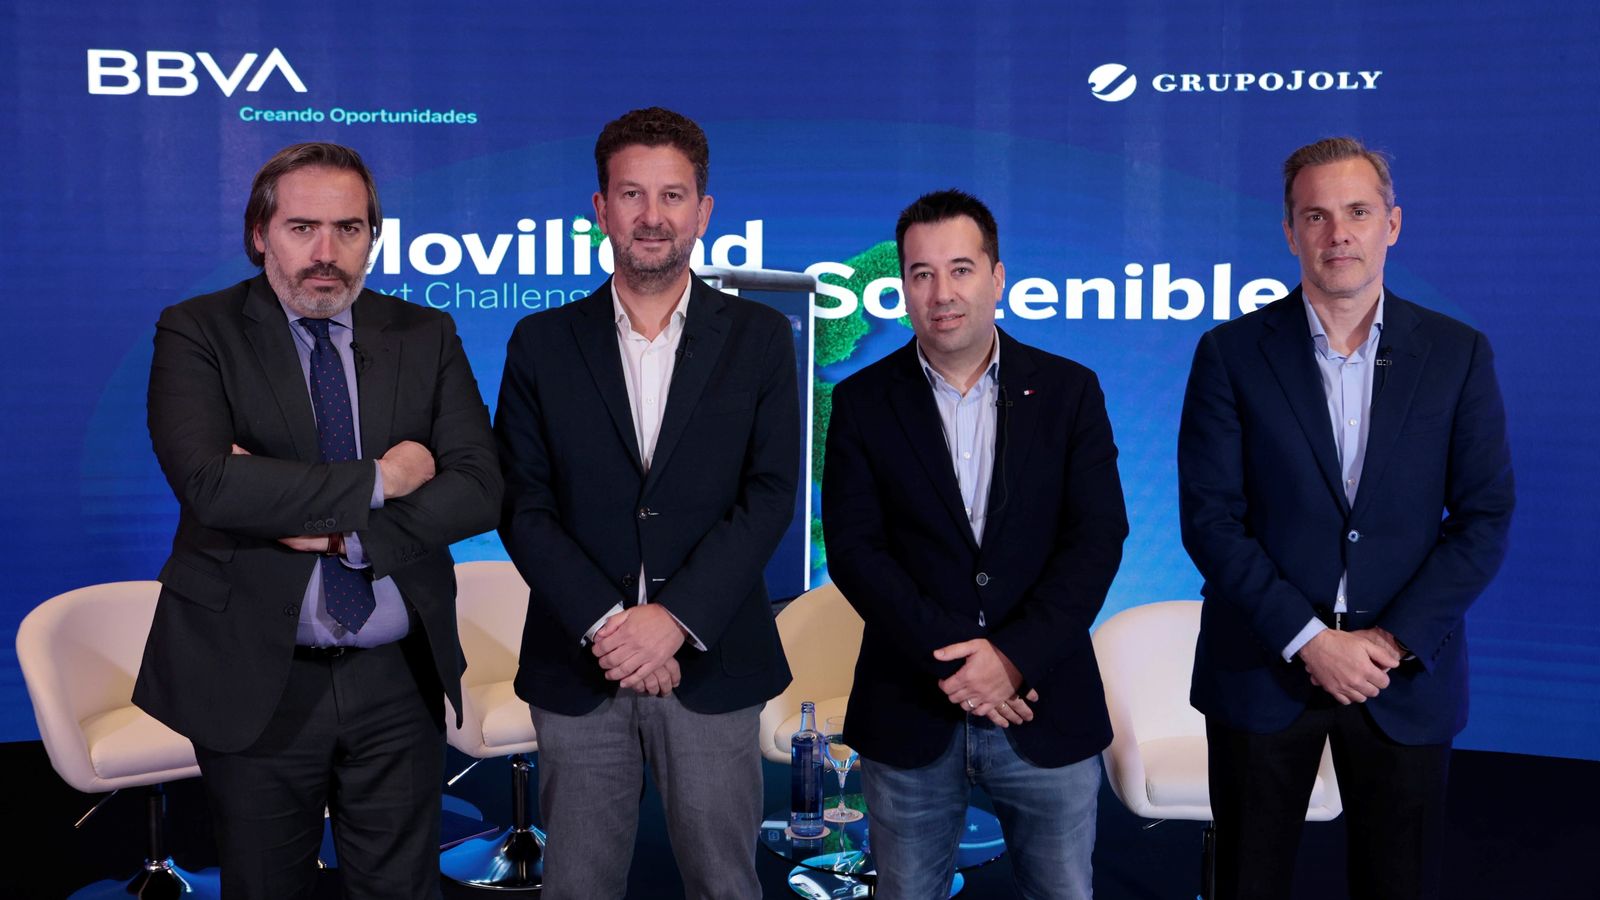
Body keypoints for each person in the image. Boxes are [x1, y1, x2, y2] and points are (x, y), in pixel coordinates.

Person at [136, 142, 502, 899]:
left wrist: (346, 534)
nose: (326, 254)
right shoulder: (197, 331)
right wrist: (384, 477)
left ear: (374, 235)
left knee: (401, 889)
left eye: (349, 229)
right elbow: (212, 485)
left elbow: (478, 485)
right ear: (260, 232)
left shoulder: (424, 336)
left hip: (398, 677)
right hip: (255, 675)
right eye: (302, 228)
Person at [1179, 136, 1515, 899]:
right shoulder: (1230, 354)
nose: (1339, 235)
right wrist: (1309, 641)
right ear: (1291, 231)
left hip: (1404, 679)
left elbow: (1484, 515)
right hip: (1262, 670)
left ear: (1391, 224)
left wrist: (1390, 642)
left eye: (1357, 212)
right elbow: (1211, 518)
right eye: (1317, 216)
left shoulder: (1458, 354)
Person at [494, 107, 798, 900]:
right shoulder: (541, 342)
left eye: (672, 196)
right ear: (601, 208)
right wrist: (609, 624)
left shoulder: (761, 337)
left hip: (711, 660)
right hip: (579, 662)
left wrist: (672, 620)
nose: (652, 216)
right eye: (632, 195)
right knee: (578, 887)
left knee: (726, 885)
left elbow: (769, 496)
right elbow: (524, 505)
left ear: (703, 211)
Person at [822, 189, 1128, 899]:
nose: (941, 292)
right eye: (921, 273)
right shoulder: (863, 402)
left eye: (960, 269)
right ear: (902, 287)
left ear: (997, 276)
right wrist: (964, 665)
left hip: (1044, 702)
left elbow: (1097, 538)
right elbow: (856, 552)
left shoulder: (1070, 391)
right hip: (910, 711)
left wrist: (1013, 658)